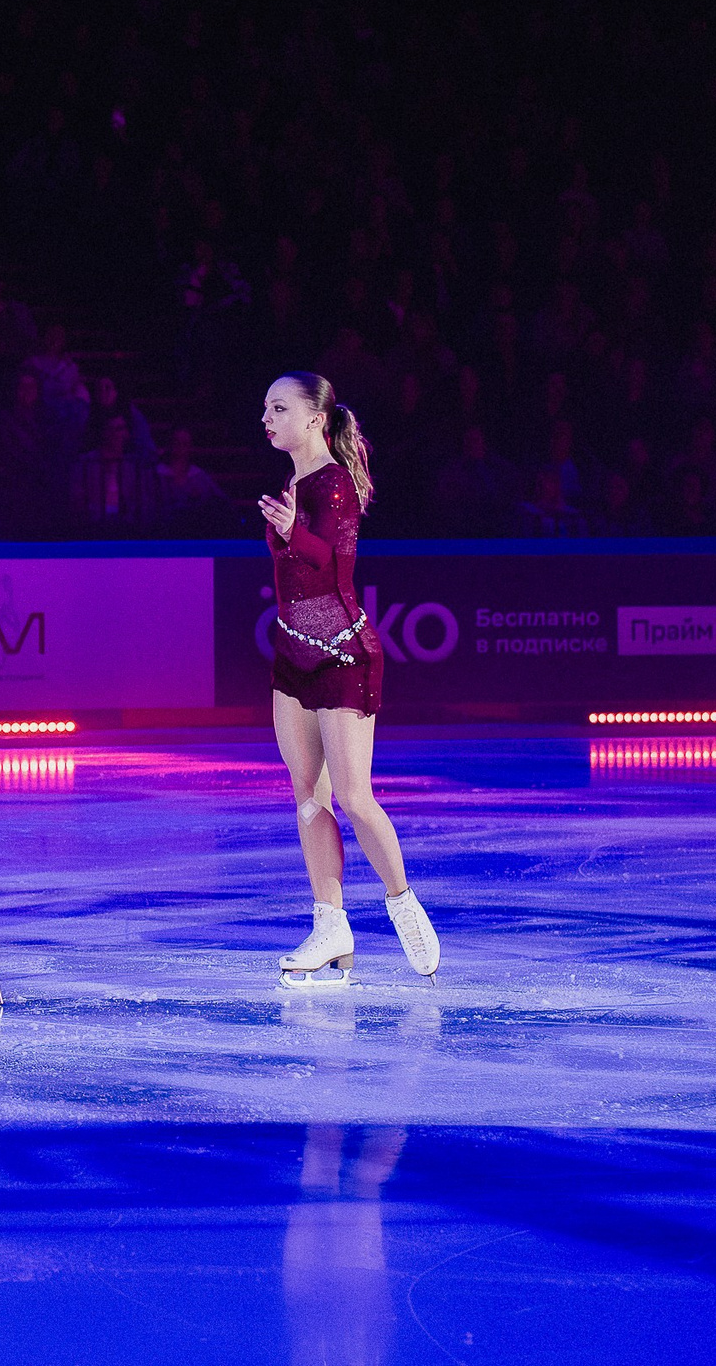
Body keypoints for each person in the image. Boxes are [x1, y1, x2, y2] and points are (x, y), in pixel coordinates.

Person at [256, 372, 438, 989]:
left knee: (354, 798)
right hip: (293, 654)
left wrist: (290, 532)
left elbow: (336, 564)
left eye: (279, 408)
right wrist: (287, 528)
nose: (267, 417)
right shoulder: (295, 483)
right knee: (308, 796)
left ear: (313, 418)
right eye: (264, 408)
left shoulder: (333, 484)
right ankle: (330, 923)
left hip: (342, 654)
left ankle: (402, 901)